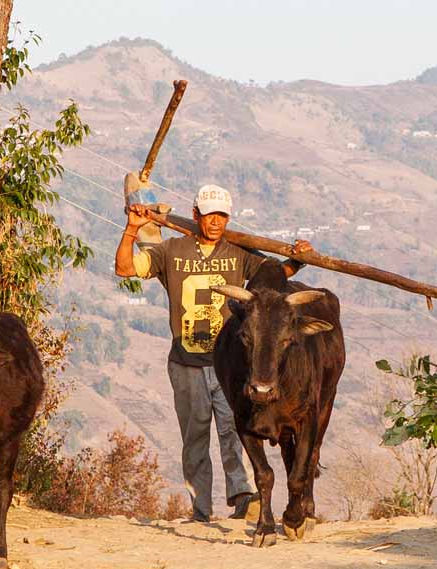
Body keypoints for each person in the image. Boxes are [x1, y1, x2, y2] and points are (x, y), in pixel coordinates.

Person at [115, 183, 312, 522]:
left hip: (232, 364)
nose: (216, 222)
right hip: (186, 360)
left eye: (222, 215)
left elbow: (276, 274)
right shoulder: (172, 251)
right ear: (196, 216)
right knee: (194, 437)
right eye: (209, 215)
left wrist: (299, 258)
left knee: (235, 430)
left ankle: (244, 497)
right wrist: (132, 230)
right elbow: (126, 269)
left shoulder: (238, 253)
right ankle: (200, 509)